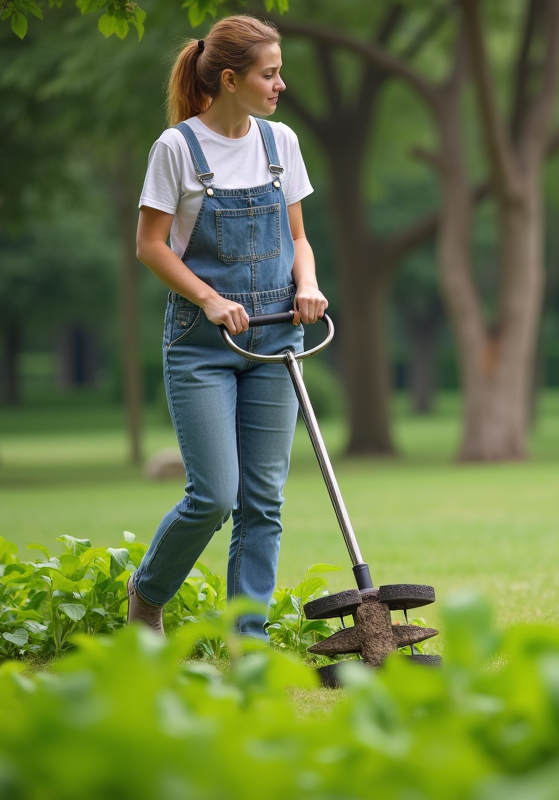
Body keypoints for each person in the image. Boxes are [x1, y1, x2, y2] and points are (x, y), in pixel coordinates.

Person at [131, 15, 326, 638]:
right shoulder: (177, 149)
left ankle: (249, 638)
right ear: (230, 78)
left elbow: (297, 237)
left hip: (276, 339)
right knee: (214, 496)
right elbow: (150, 246)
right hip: (202, 346)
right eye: (270, 75)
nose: (280, 85)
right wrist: (212, 299)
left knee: (263, 499)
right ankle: (148, 595)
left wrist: (308, 284)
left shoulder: (281, 144)